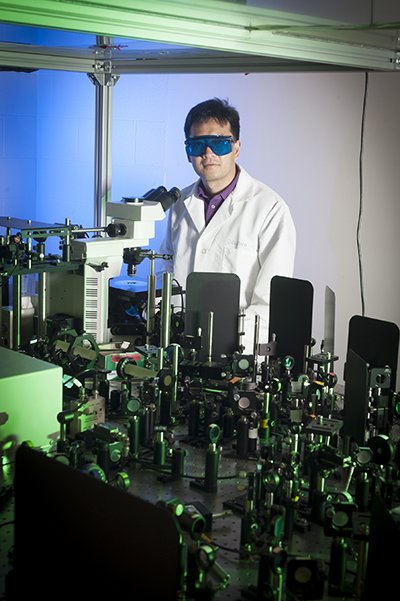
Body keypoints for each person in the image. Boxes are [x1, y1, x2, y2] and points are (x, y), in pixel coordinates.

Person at [158, 98, 296, 353]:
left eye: (219, 143)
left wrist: (234, 347)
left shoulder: (270, 209)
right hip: (178, 346)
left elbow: (270, 300)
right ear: (188, 152)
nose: (208, 153)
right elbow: (166, 266)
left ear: (236, 148)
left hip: (237, 353)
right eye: (198, 144)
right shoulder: (179, 204)